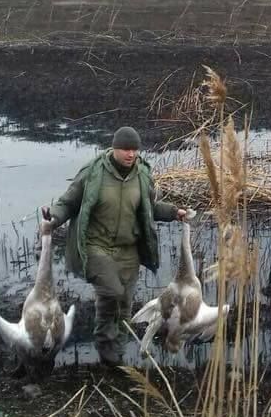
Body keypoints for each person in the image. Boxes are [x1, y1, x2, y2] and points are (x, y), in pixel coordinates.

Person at [40, 126, 187, 367]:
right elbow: (68, 203)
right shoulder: (93, 173)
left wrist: (174, 212)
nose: (131, 154)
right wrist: (52, 218)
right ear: (114, 149)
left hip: (129, 249)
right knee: (112, 292)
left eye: (135, 150)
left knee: (124, 305)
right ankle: (104, 344)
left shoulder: (142, 175)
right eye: (125, 149)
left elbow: (150, 208)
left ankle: (114, 356)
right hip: (97, 245)